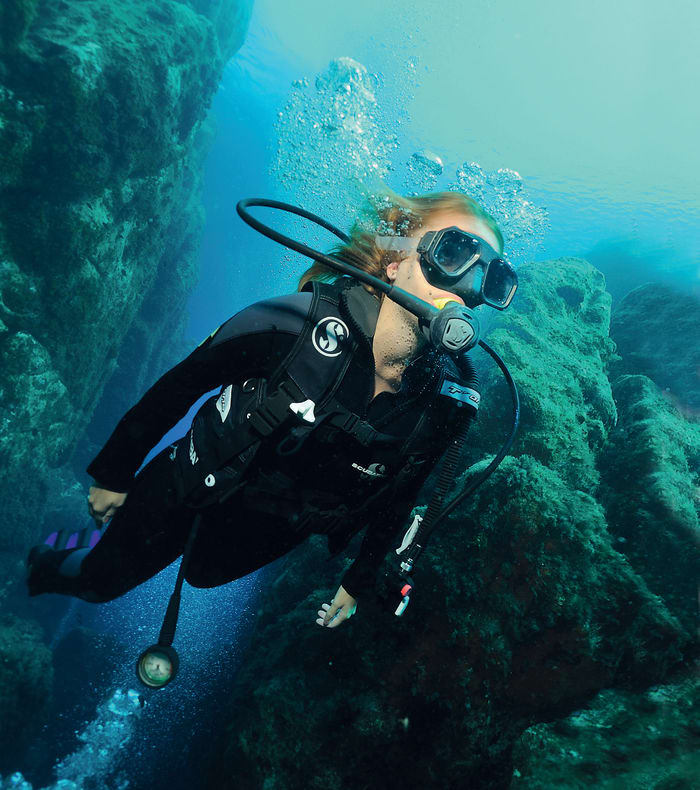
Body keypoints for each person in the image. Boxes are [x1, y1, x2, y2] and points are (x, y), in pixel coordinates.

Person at [26, 190, 508, 629]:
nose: (465, 288)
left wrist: (358, 579)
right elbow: (180, 385)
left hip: (268, 529)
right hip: (189, 484)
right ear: (394, 260)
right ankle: (53, 556)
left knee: (204, 575)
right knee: (98, 584)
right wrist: (113, 473)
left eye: (489, 279)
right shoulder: (291, 324)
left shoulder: (441, 405)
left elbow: (399, 497)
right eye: (452, 253)